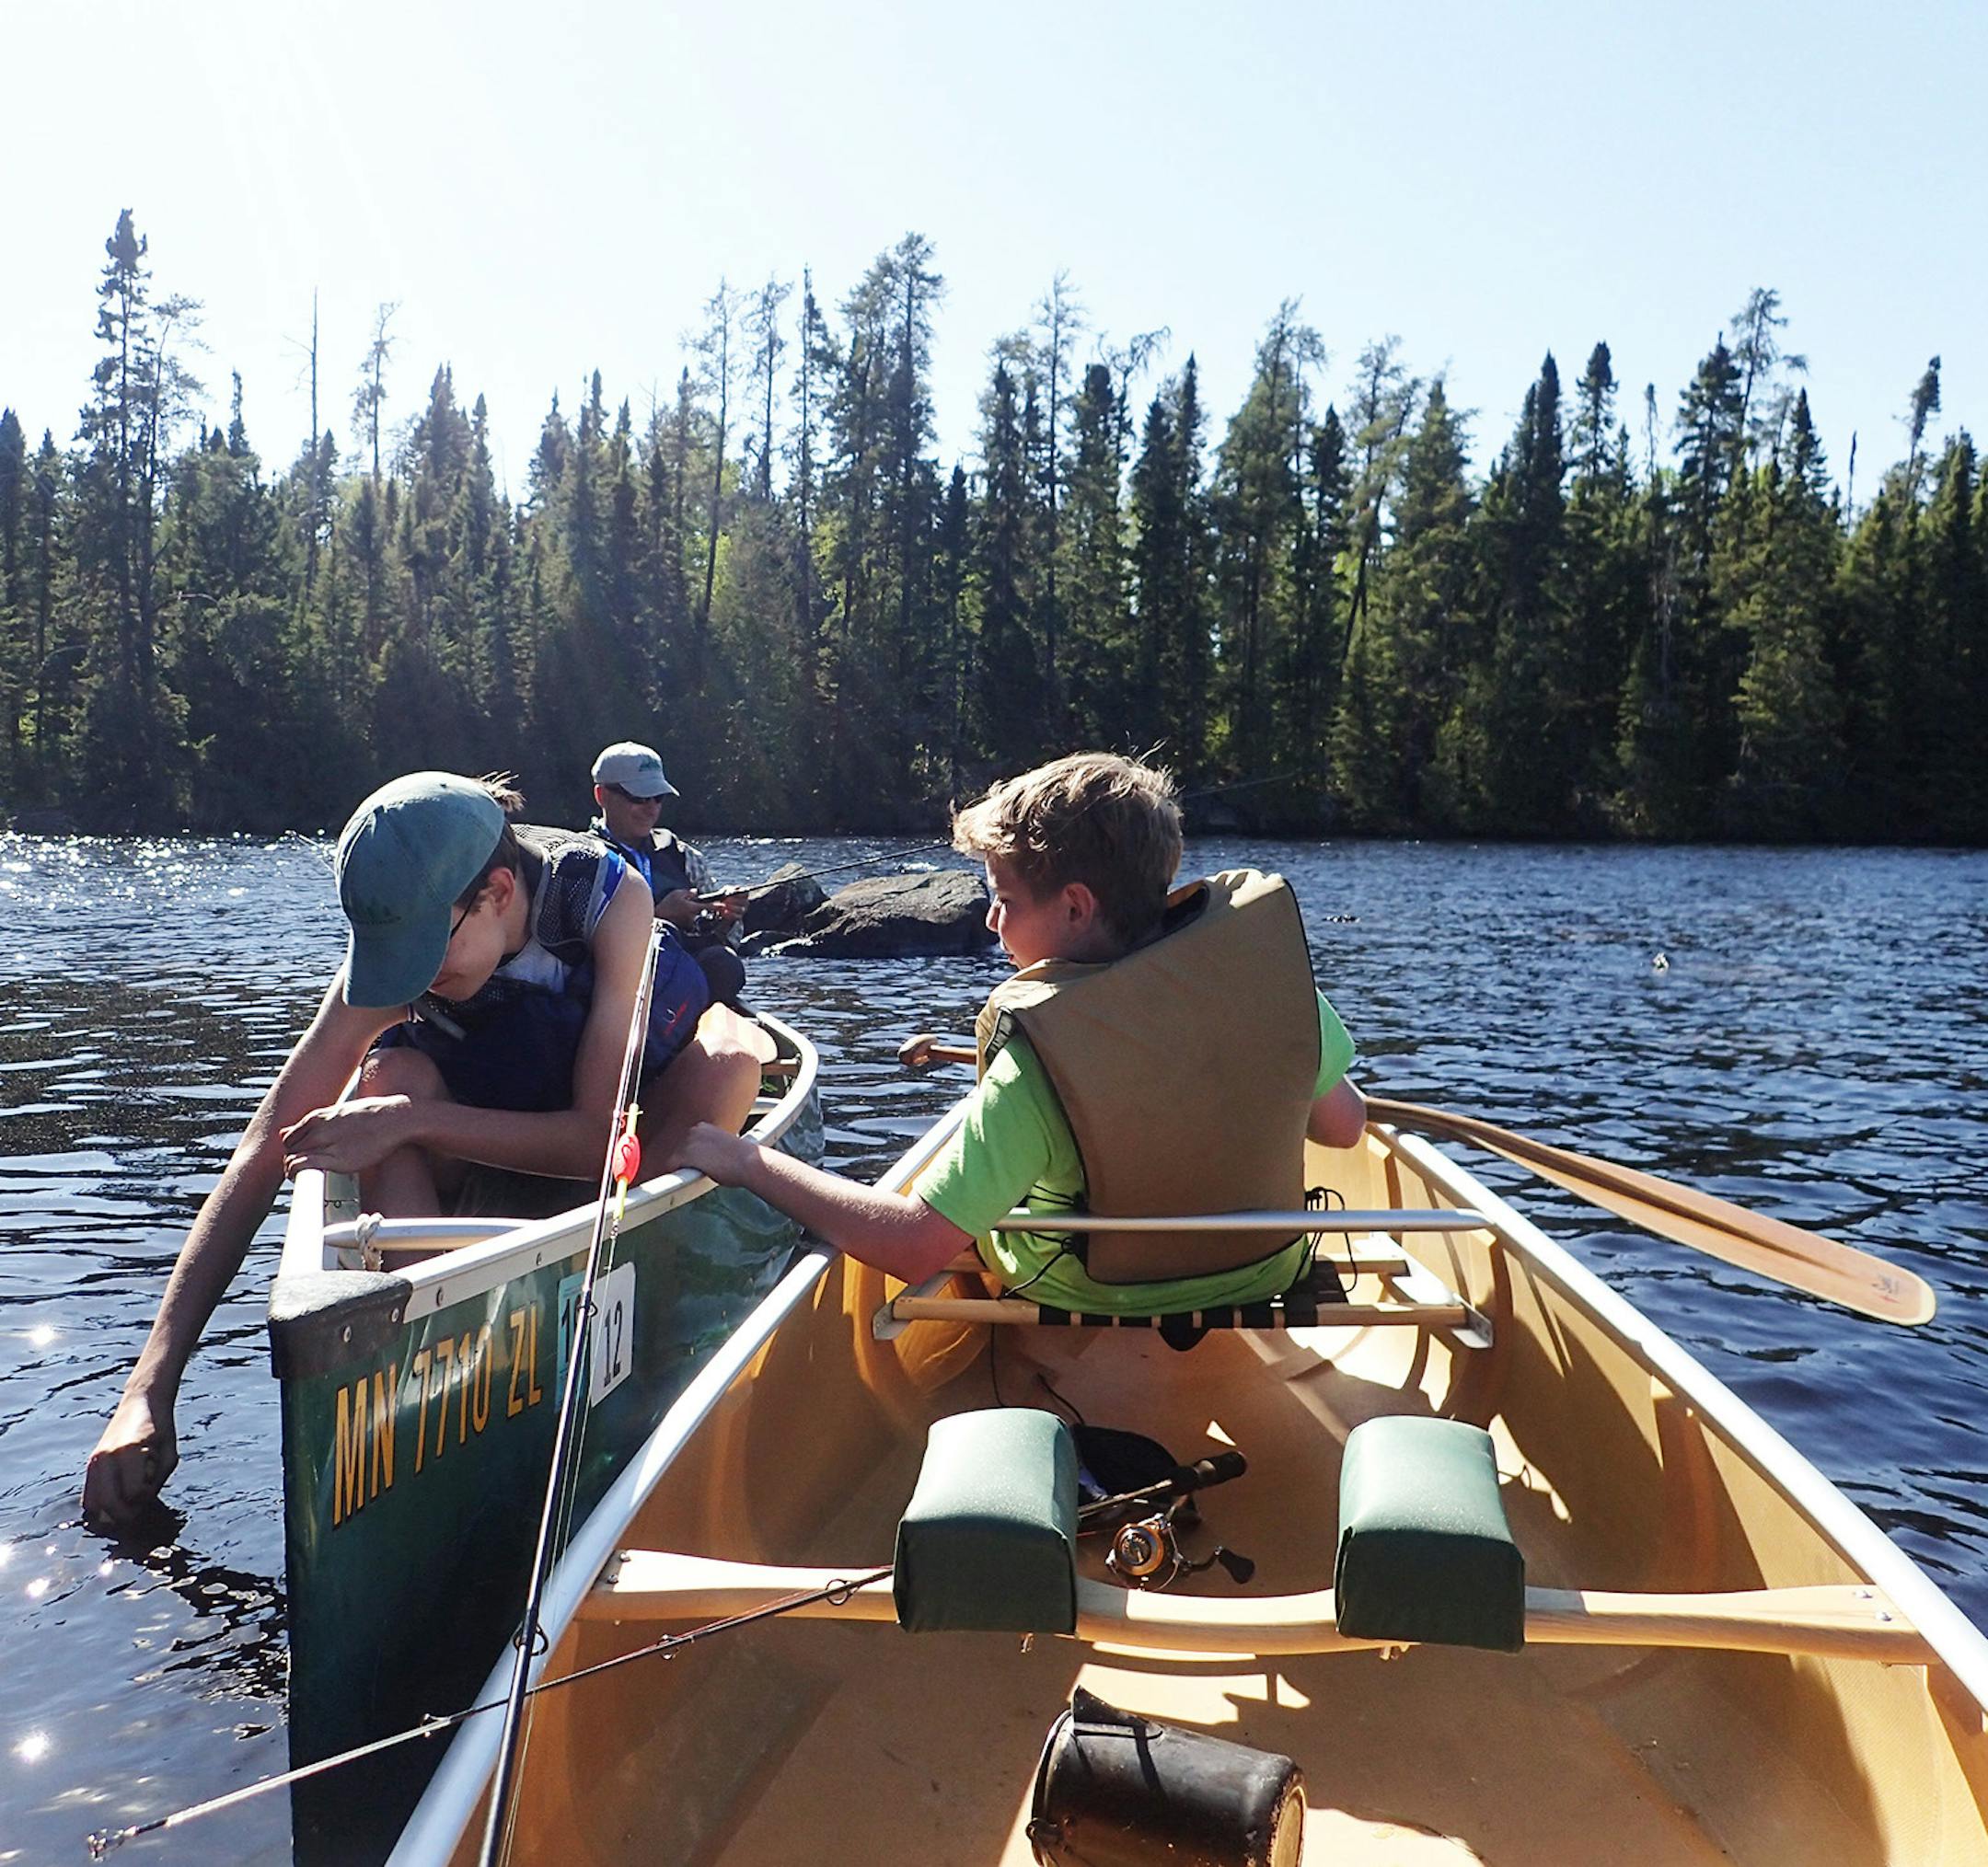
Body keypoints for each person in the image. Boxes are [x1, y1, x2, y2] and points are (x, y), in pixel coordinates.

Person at [82, 772, 769, 1530]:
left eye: (425, 953)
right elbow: (260, 1150)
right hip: (496, 1106)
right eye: (393, 956)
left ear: (499, 891)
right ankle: (435, 1369)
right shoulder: (405, 940)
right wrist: (147, 1390)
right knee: (389, 1070)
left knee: (734, 1058)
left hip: (610, 1112)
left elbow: (598, 1145)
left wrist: (412, 1123)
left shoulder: (605, 899)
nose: (408, 979)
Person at [673, 752, 1366, 1314]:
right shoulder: (1268, 984)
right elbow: (1343, 1128)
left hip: (1094, 1291)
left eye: (1003, 900)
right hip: (1261, 1271)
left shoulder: (1040, 1062)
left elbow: (916, 1244)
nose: (990, 922)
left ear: (1074, 907)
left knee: (967, 1219)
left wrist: (744, 1160)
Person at [590, 741, 748, 1006]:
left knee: (725, 964)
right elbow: (576, 942)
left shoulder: (685, 857)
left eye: (658, 797)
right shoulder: (582, 859)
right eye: (639, 798)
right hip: (611, 989)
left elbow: (730, 940)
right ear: (602, 795)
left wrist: (729, 916)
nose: (651, 808)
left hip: (683, 986)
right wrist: (658, 916)